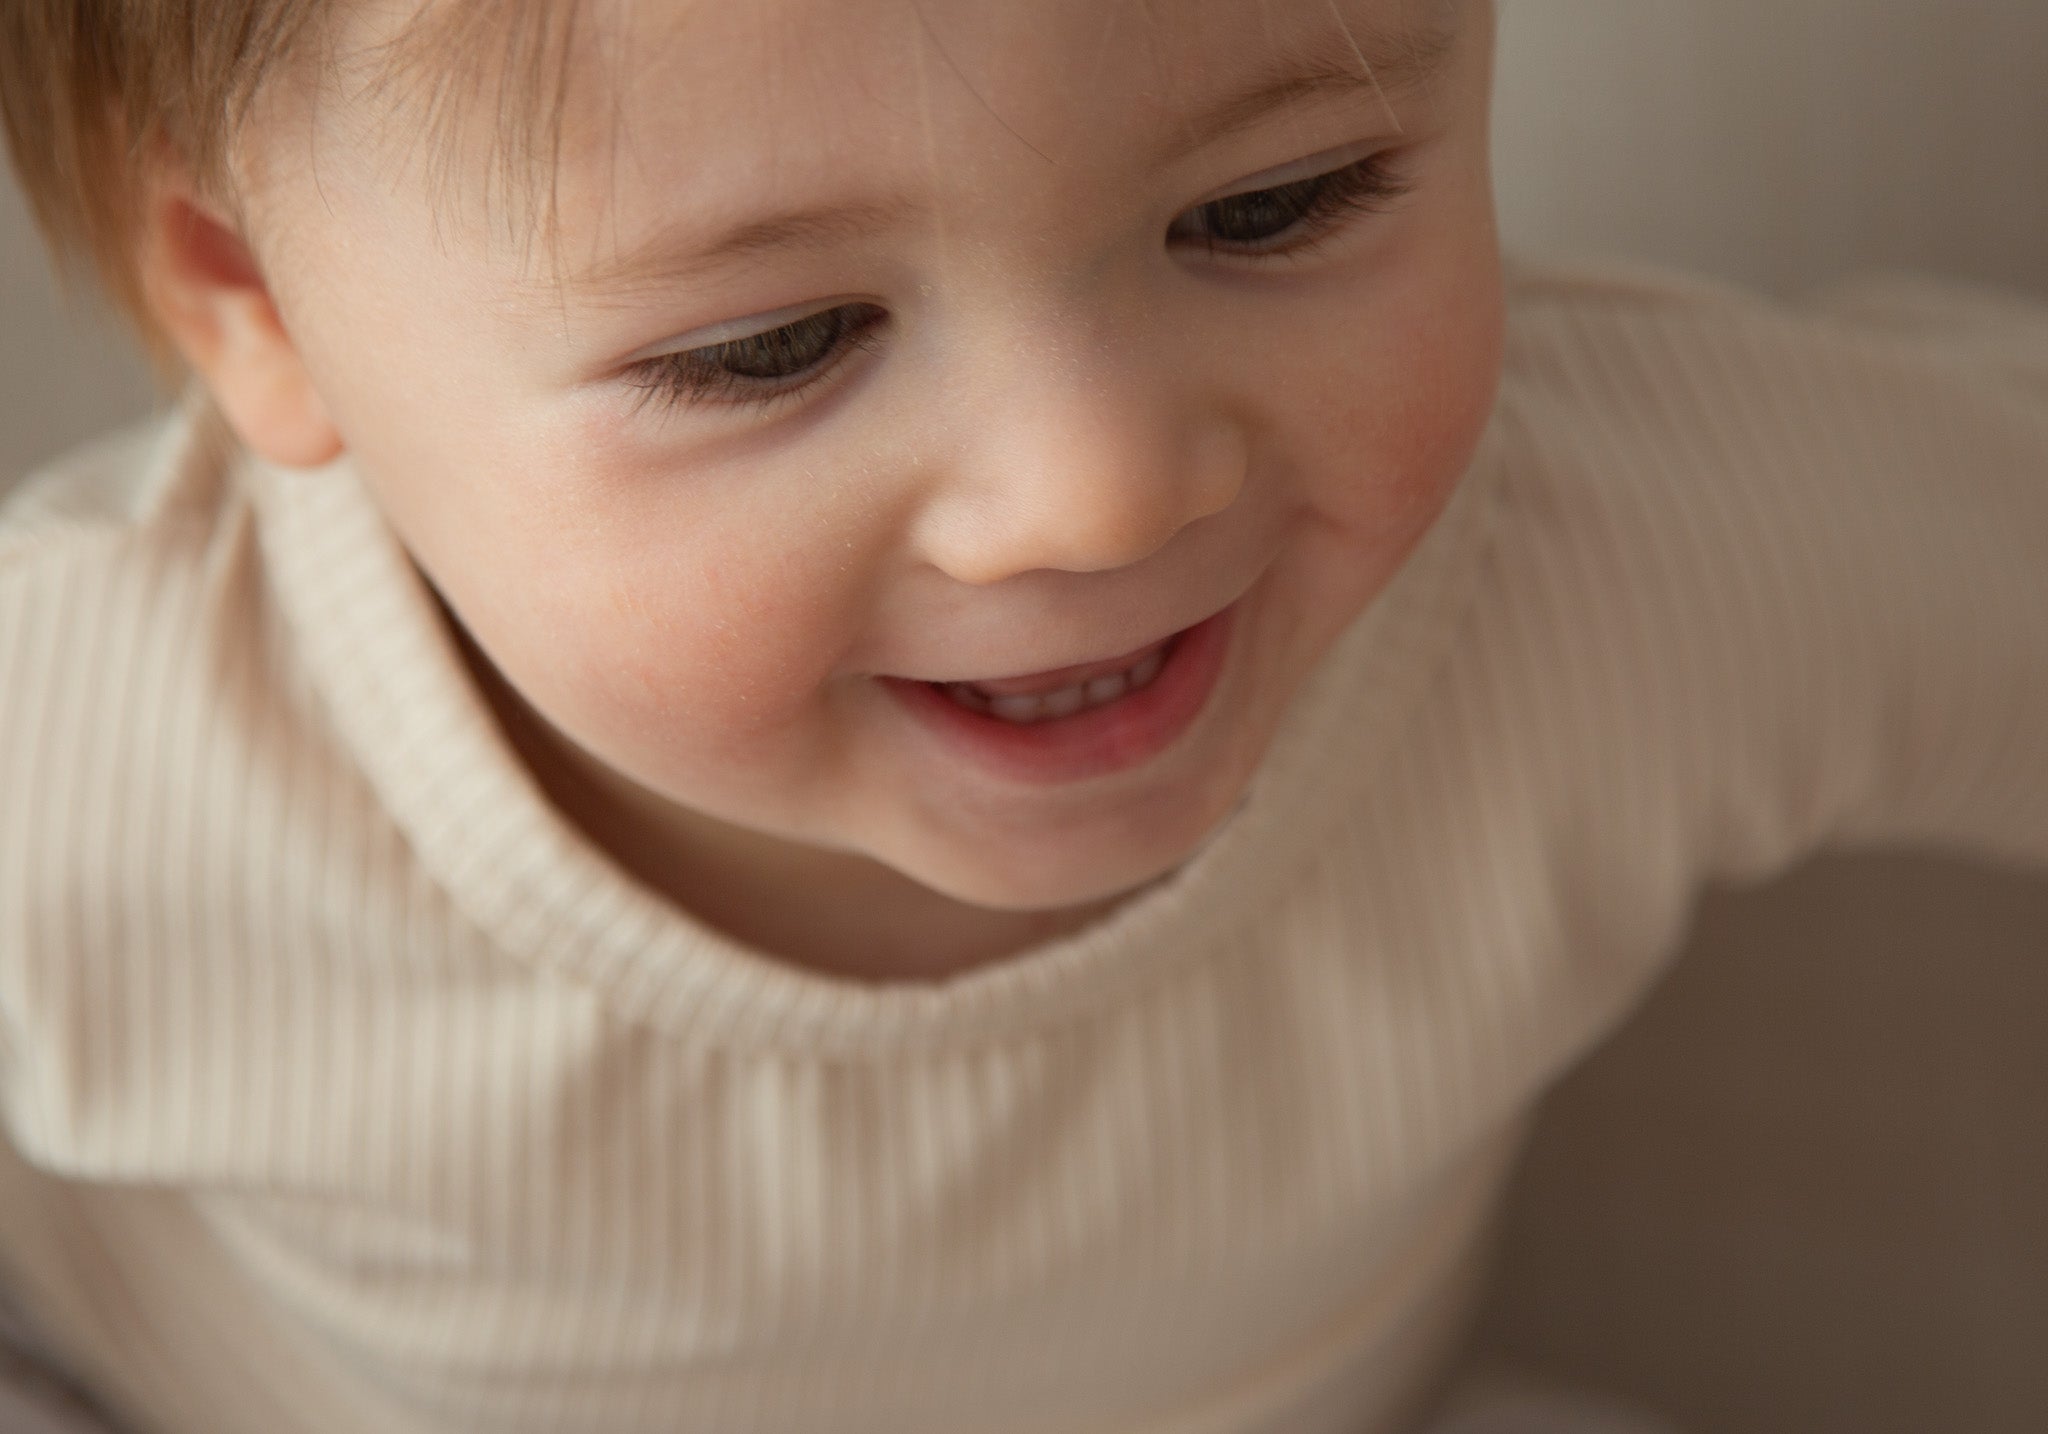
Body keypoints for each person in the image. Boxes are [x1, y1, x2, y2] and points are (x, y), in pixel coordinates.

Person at [0, 1, 2042, 1431]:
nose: (1097, 491)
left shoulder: (1622, 559)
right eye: (778, 343)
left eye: (1278, 203)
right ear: (249, 293)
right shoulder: (88, 745)